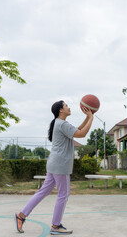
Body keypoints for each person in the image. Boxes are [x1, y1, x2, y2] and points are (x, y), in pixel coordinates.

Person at [14, 100, 93, 235]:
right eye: (66, 106)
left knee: (43, 192)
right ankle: (55, 226)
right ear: (60, 110)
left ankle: (21, 215)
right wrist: (91, 118)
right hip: (60, 165)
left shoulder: (60, 123)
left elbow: (77, 130)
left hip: (54, 163)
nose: (69, 107)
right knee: (63, 195)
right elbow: (82, 134)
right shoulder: (62, 124)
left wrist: (87, 118)